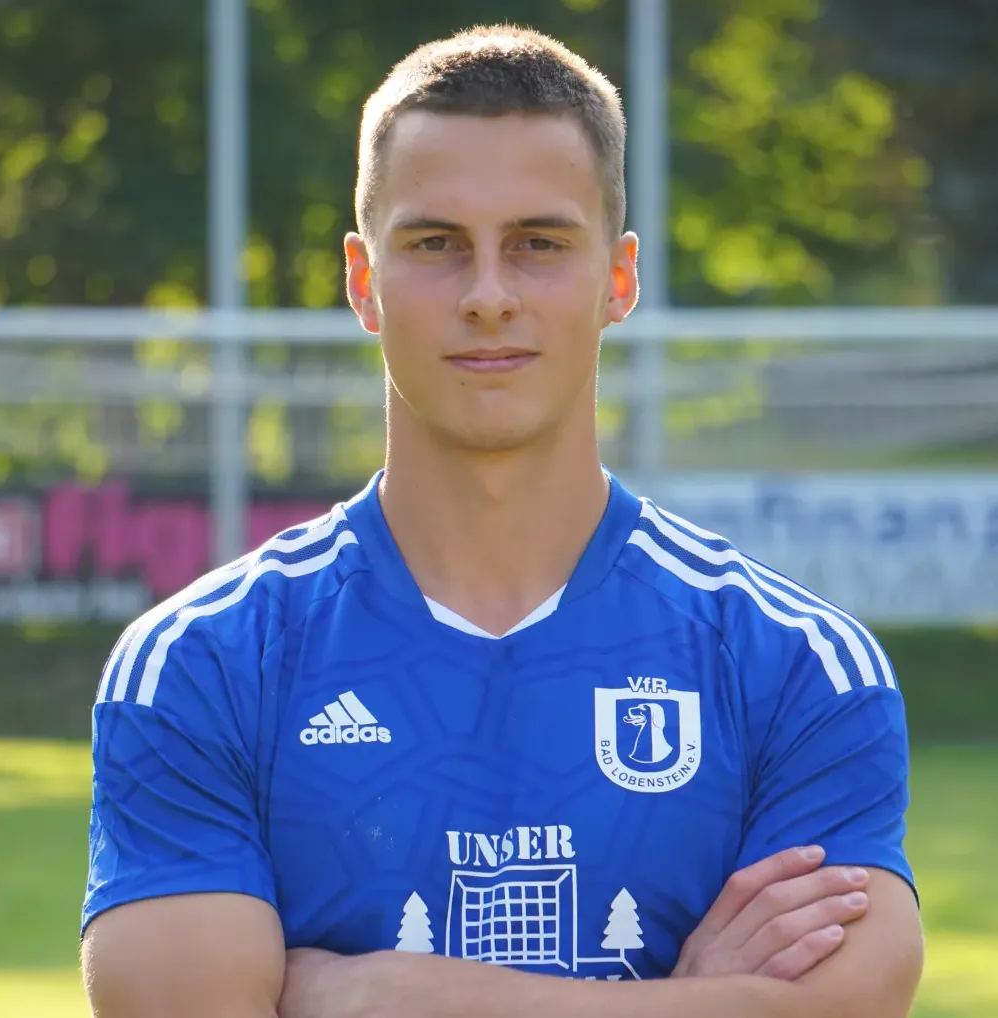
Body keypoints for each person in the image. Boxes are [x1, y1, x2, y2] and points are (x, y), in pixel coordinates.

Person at [81, 24, 923, 1018]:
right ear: (363, 281)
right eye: (436, 245)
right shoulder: (206, 663)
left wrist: (383, 995)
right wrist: (686, 1002)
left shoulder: (792, 664)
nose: (488, 296)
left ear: (618, 278)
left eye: (539, 245)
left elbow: (856, 1001)